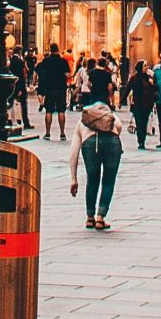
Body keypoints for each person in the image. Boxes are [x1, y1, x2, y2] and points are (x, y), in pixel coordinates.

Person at [68, 94, 125, 230]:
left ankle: (89, 217)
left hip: (90, 143)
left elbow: (73, 152)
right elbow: (118, 128)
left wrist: (73, 179)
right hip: (112, 142)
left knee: (92, 180)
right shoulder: (112, 117)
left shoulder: (82, 122)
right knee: (108, 180)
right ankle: (100, 217)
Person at [35, 44, 70, 140]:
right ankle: (62, 133)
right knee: (61, 111)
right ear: (58, 50)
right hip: (60, 88)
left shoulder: (46, 61)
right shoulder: (63, 61)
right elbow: (68, 75)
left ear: (50, 50)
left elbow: (39, 70)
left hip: (49, 88)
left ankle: (47, 133)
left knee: (49, 111)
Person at [124, 60, 157, 150]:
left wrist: (152, 84)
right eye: (145, 65)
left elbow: (155, 89)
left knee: (144, 121)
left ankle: (143, 139)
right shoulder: (134, 78)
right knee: (139, 122)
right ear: (140, 67)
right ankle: (140, 141)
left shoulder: (149, 77)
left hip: (147, 104)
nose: (147, 67)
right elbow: (128, 89)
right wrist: (121, 100)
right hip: (138, 104)